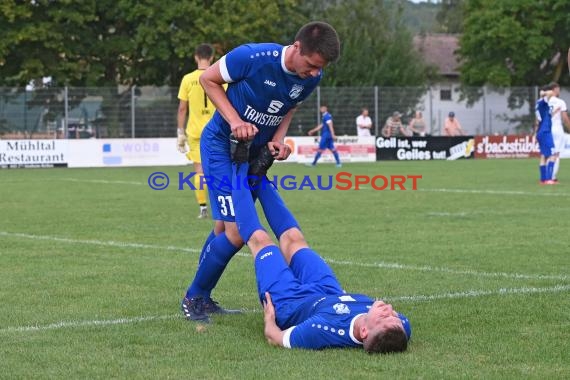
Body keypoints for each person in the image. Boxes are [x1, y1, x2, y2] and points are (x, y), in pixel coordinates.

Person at [180, 21, 341, 321]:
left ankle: (202, 296)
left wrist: (279, 140)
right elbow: (209, 80)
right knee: (236, 232)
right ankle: (193, 297)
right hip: (220, 148)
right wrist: (234, 120)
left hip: (252, 156)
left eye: (321, 68)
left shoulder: (310, 78)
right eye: (311, 65)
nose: (315, 73)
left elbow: (290, 105)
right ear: (296, 48)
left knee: (222, 229)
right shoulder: (252, 57)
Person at [222, 145, 411, 352]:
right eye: (394, 316)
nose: (390, 310)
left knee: (262, 242)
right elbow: (395, 327)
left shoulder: (322, 329)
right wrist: (390, 321)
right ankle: (258, 174)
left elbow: (275, 338)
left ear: (364, 332)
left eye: (384, 317)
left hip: (290, 303)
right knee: (294, 239)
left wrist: (269, 321)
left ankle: (238, 164)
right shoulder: (399, 329)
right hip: (329, 292)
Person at [177, 43, 220, 219]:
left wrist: (180, 132)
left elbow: (182, 108)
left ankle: (203, 208)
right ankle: (223, 204)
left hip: (195, 132)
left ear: (196, 57)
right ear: (212, 58)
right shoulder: (219, 77)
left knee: (200, 171)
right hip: (216, 130)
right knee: (220, 169)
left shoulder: (187, 79)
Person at [547, 82, 570, 183]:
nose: (559, 91)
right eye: (558, 89)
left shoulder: (545, 102)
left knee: (549, 153)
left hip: (547, 129)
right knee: (556, 154)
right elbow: (565, 118)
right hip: (557, 129)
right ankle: (552, 177)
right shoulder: (560, 102)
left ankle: (546, 175)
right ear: (555, 89)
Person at [534, 88, 557, 184]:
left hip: (541, 132)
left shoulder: (538, 105)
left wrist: (535, 133)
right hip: (545, 132)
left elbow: (538, 121)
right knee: (553, 154)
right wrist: (544, 93)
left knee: (544, 155)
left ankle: (543, 179)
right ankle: (549, 179)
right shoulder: (542, 102)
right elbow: (551, 92)